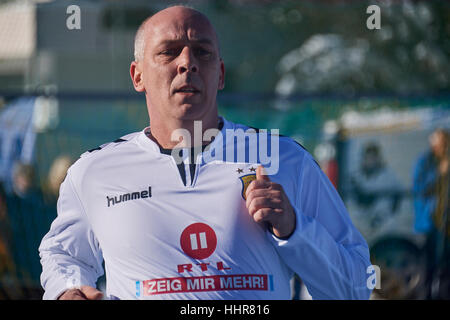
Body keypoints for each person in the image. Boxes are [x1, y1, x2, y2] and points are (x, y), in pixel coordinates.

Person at [39, 5, 372, 300]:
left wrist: (295, 229)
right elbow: (64, 256)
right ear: (137, 75)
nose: (188, 63)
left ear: (221, 74)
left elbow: (355, 289)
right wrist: (68, 290)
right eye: (169, 52)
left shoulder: (284, 159)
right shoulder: (94, 172)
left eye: (202, 52)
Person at [413, 128, 449, 299]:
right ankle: (428, 295)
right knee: (430, 264)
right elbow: (420, 188)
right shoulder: (426, 162)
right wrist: (439, 174)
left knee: (445, 265)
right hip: (432, 222)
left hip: (445, 223)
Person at [349, 142, 403, 240]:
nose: (370, 161)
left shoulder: (388, 176)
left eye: (373, 157)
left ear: (378, 158)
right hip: (361, 222)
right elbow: (353, 204)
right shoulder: (355, 178)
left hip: (382, 223)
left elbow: (397, 198)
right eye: (367, 157)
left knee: (390, 226)